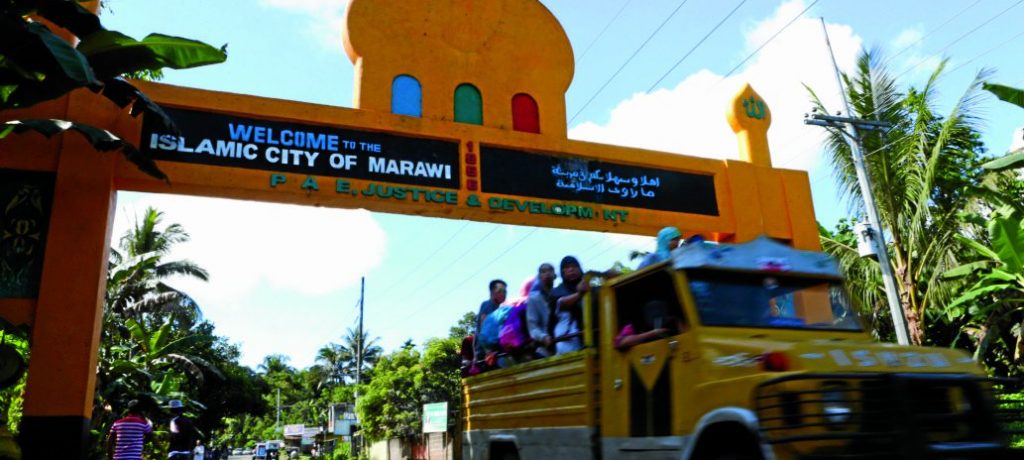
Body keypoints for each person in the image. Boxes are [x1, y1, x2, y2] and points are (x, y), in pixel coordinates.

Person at [614, 300, 684, 350]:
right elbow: (621, 343)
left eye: (658, 308)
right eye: (651, 310)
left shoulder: (674, 321)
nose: (655, 312)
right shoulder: (640, 328)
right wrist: (653, 333)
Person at [551, 256, 585, 355]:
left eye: (574, 266)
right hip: (567, 343)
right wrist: (580, 294)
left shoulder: (590, 287)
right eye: (567, 267)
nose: (571, 269)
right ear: (562, 272)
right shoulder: (557, 291)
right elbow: (562, 303)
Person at [526, 263, 557, 357]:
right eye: (543, 271)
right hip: (544, 349)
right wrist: (543, 337)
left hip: (563, 342)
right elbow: (533, 327)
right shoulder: (534, 299)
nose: (547, 273)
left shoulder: (560, 293)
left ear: (554, 275)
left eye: (550, 271)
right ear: (539, 277)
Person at [474, 279, 507, 363]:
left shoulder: (501, 310)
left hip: (496, 351)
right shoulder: (488, 305)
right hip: (486, 354)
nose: (503, 294)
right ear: (492, 292)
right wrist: (488, 352)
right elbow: (482, 331)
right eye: (500, 291)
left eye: (505, 291)